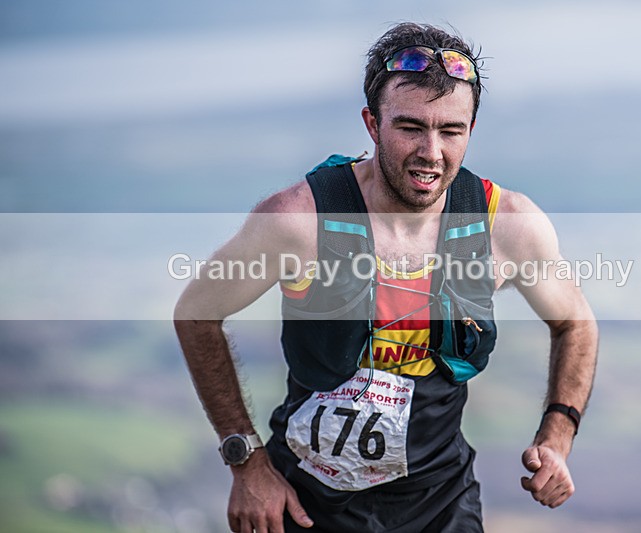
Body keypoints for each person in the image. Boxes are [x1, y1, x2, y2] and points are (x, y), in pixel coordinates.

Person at [174, 22, 598, 533]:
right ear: (372, 125)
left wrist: (557, 436)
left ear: (471, 130)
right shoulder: (298, 220)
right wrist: (246, 460)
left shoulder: (507, 225)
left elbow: (575, 322)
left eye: (451, 131)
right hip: (306, 504)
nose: (431, 152)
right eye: (411, 128)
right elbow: (196, 312)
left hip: (441, 504)